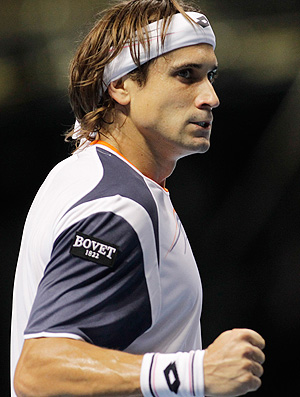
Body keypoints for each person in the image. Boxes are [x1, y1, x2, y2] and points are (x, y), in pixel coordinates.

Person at [11, 0, 265, 396]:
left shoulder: (84, 175)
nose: (211, 97)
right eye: (186, 75)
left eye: (210, 75)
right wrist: (195, 373)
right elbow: (38, 374)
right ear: (122, 85)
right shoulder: (119, 204)